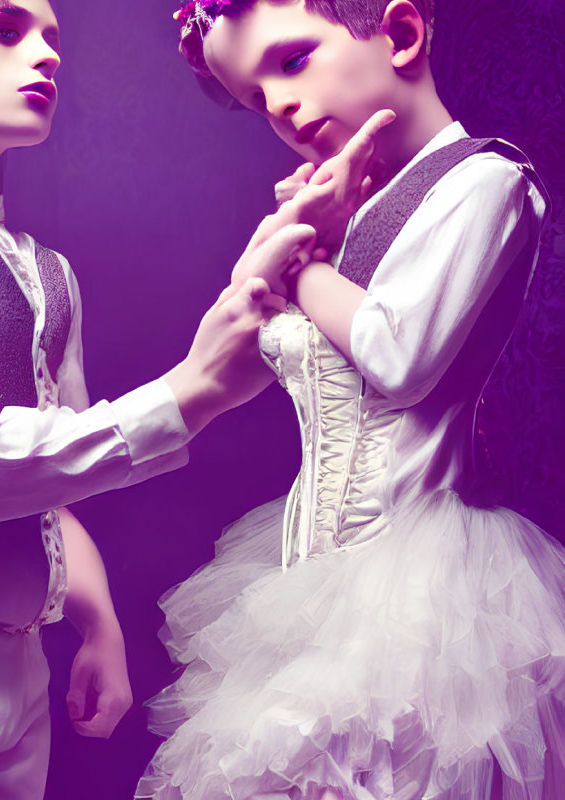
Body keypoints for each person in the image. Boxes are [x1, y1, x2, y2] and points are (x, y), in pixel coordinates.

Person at [0, 1, 361, 797]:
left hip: (22, 665)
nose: (47, 54)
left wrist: (97, 624)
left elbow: (54, 475)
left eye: (53, 37)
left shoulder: (47, 271)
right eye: (5, 28)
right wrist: (190, 390)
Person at [130, 1, 564, 798]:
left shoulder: (488, 181)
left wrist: (299, 268)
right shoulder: (349, 214)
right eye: (258, 98)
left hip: (423, 594)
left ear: (400, 34)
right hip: (307, 588)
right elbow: (237, 354)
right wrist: (294, 238)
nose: (281, 107)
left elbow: (400, 358)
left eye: (292, 62)